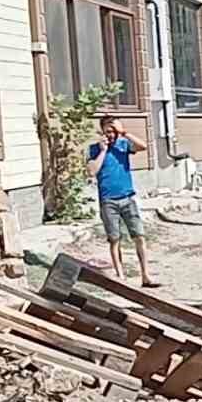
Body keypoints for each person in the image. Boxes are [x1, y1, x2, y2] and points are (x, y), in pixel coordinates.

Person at [86, 117, 160, 287]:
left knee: (139, 236)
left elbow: (143, 146)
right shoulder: (95, 149)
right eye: (107, 131)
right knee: (114, 239)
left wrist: (125, 133)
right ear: (102, 132)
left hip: (127, 198)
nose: (111, 135)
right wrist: (103, 151)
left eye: (113, 131)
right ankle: (121, 277)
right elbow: (92, 171)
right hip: (108, 200)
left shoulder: (123, 145)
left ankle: (145, 275)